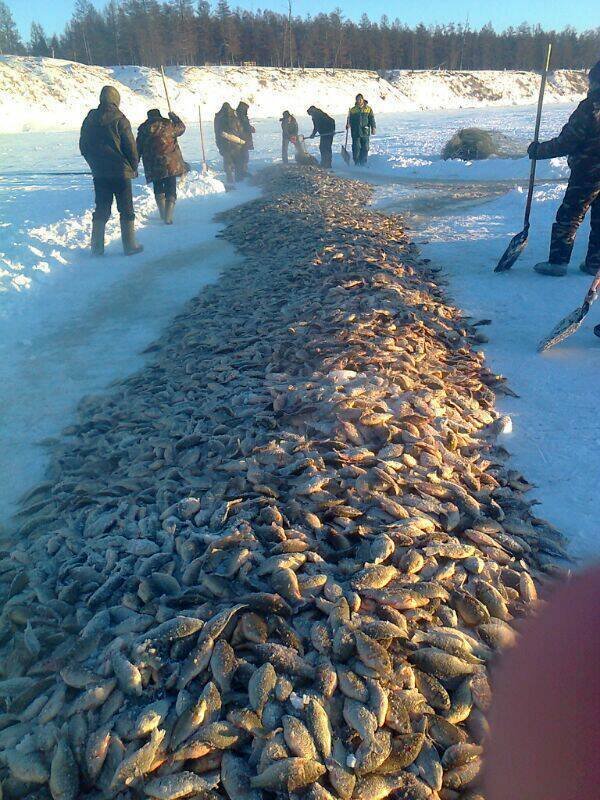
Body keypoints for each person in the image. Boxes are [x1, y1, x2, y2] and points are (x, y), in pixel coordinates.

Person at [529, 59, 600, 277]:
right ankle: (595, 264)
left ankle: (558, 263)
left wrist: (539, 151)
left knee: (570, 215)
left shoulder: (591, 107)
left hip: (588, 171)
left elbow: (568, 142)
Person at [79, 85, 143, 256]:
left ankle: (97, 248)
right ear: (116, 100)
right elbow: (131, 147)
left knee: (101, 208)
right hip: (121, 173)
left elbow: (83, 146)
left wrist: (93, 163)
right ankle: (130, 246)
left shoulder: (90, 119)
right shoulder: (120, 120)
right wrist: (133, 166)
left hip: (99, 173)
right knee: (126, 209)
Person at [136, 108, 187, 225]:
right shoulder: (168, 125)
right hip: (171, 163)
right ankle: (168, 217)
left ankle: (162, 214)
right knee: (171, 187)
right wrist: (174, 117)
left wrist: (133, 165)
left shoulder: (143, 130)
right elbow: (182, 128)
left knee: (158, 187)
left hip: (152, 165)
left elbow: (137, 149)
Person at [214, 102, 246, 184]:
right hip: (236, 144)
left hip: (225, 145)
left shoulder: (219, 119)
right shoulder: (235, 118)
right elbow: (241, 130)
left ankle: (230, 180)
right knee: (238, 162)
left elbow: (217, 133)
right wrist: (242, 140)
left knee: (228, 164)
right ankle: (239, 180)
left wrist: (219, 145)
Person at [346, 94, 376, 166]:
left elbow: (371, 119)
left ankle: (363, 162)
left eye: (360, 99)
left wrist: (373, 127)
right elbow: (349, 120)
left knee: (365, 147)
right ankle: (357, 162)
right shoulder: (353, 110)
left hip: (365, 131)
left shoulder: (368, 109)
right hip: (355, 131)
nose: (359, 101)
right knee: (356, 147)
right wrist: (348, 124)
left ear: (363, 99)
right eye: (357, 99)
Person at [236, 101, 255, 178]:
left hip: (241, 138)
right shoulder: (242, 116)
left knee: (242, 156)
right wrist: (251, 129)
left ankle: (242, 172)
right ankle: (242, 173)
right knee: (244, 156)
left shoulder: (237, 115)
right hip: (243, 138)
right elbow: (245, 126)